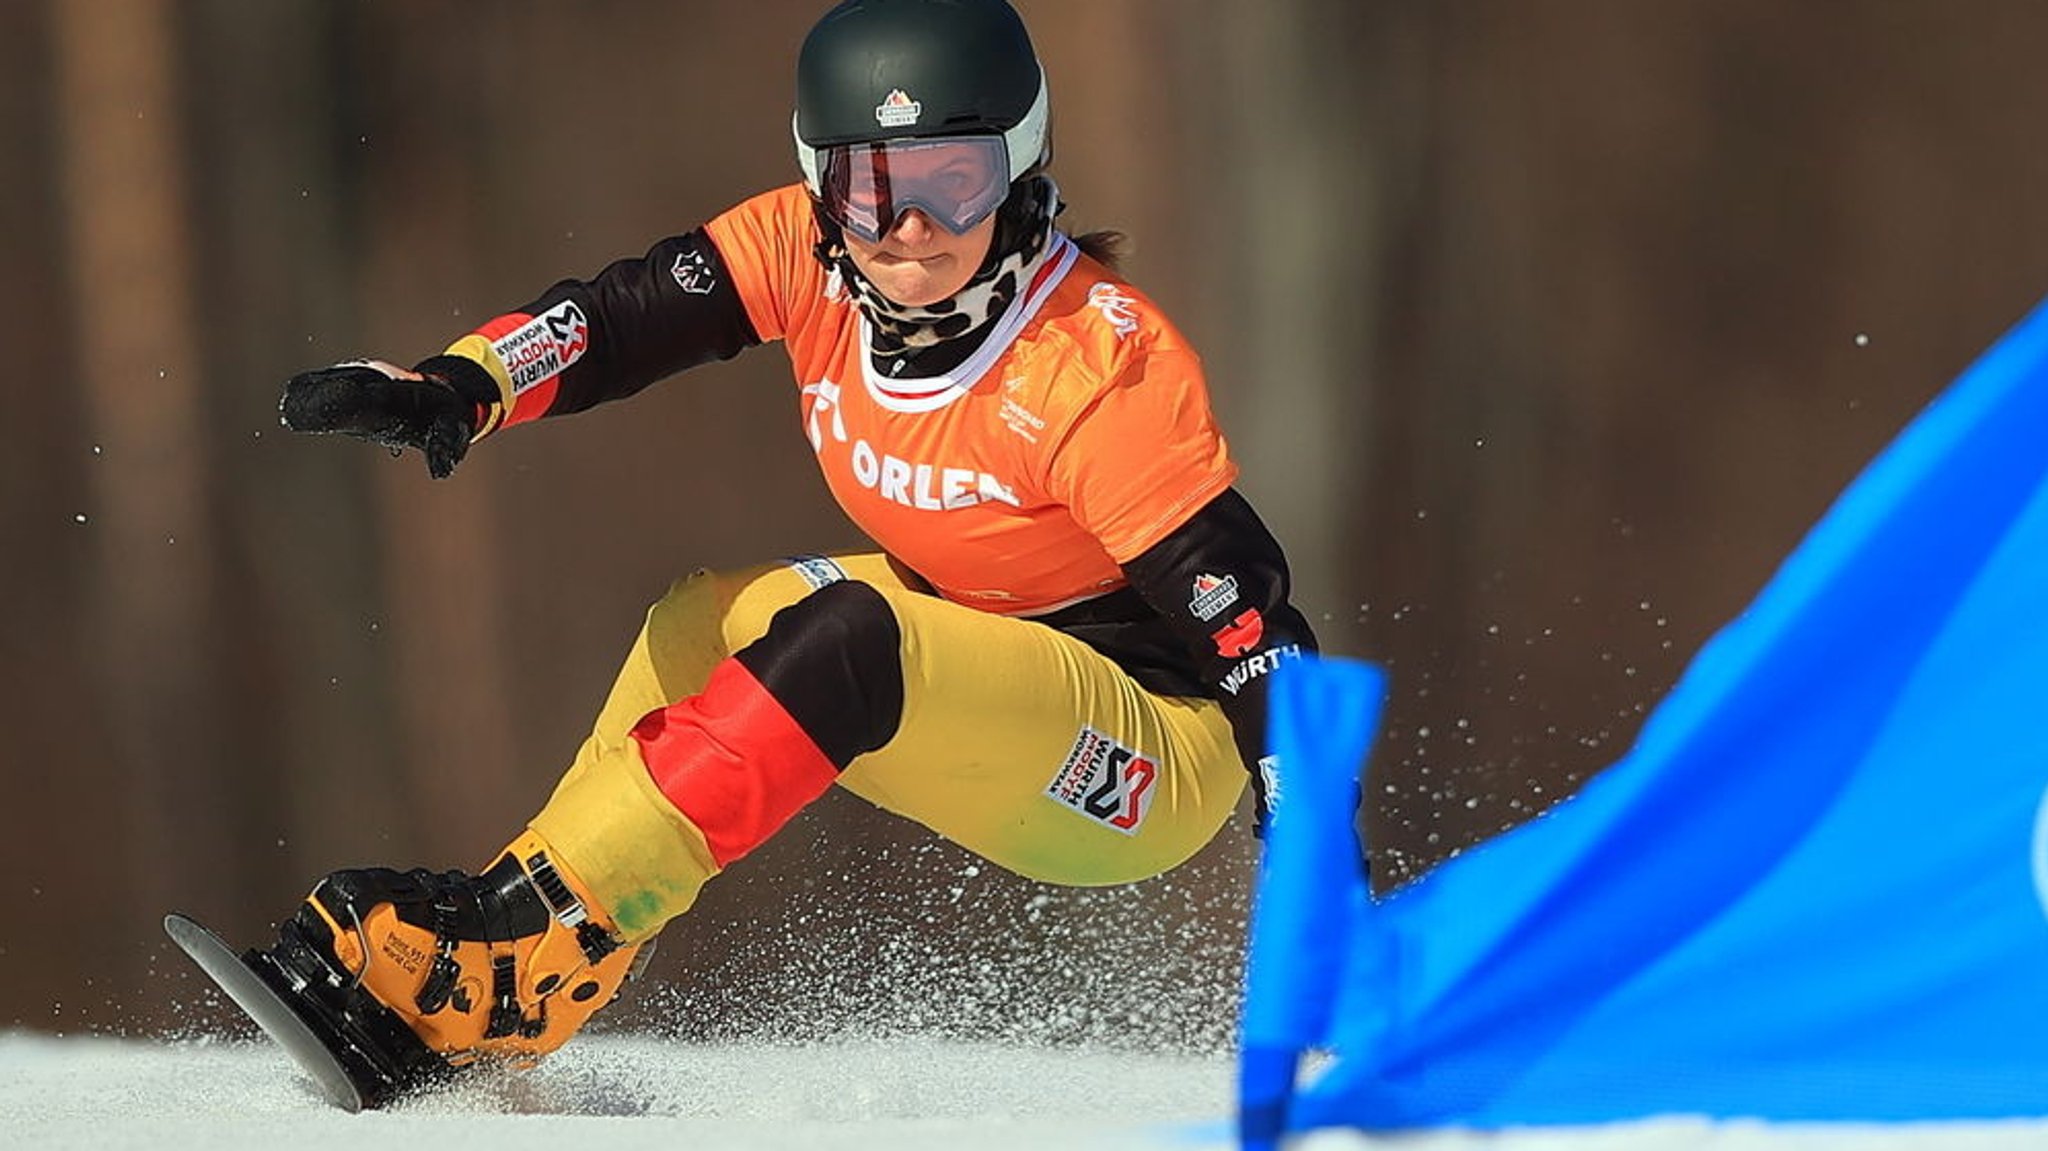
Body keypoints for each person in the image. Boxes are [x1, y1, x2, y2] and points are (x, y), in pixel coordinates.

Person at [259, 0, 1315, 1105]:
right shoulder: (802, 256)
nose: (908, 230)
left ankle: (521, 943)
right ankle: (526, 957)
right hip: (972, 643)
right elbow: (617, 319)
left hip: (1141, 749)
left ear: (1019, 167)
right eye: (870, 187)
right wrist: (465, 384)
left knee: (848, 639)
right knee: (705, 620)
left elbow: (1249, 626)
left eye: (950, 181)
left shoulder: (1091, 362)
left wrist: (1311, 837)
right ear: (820, 183)